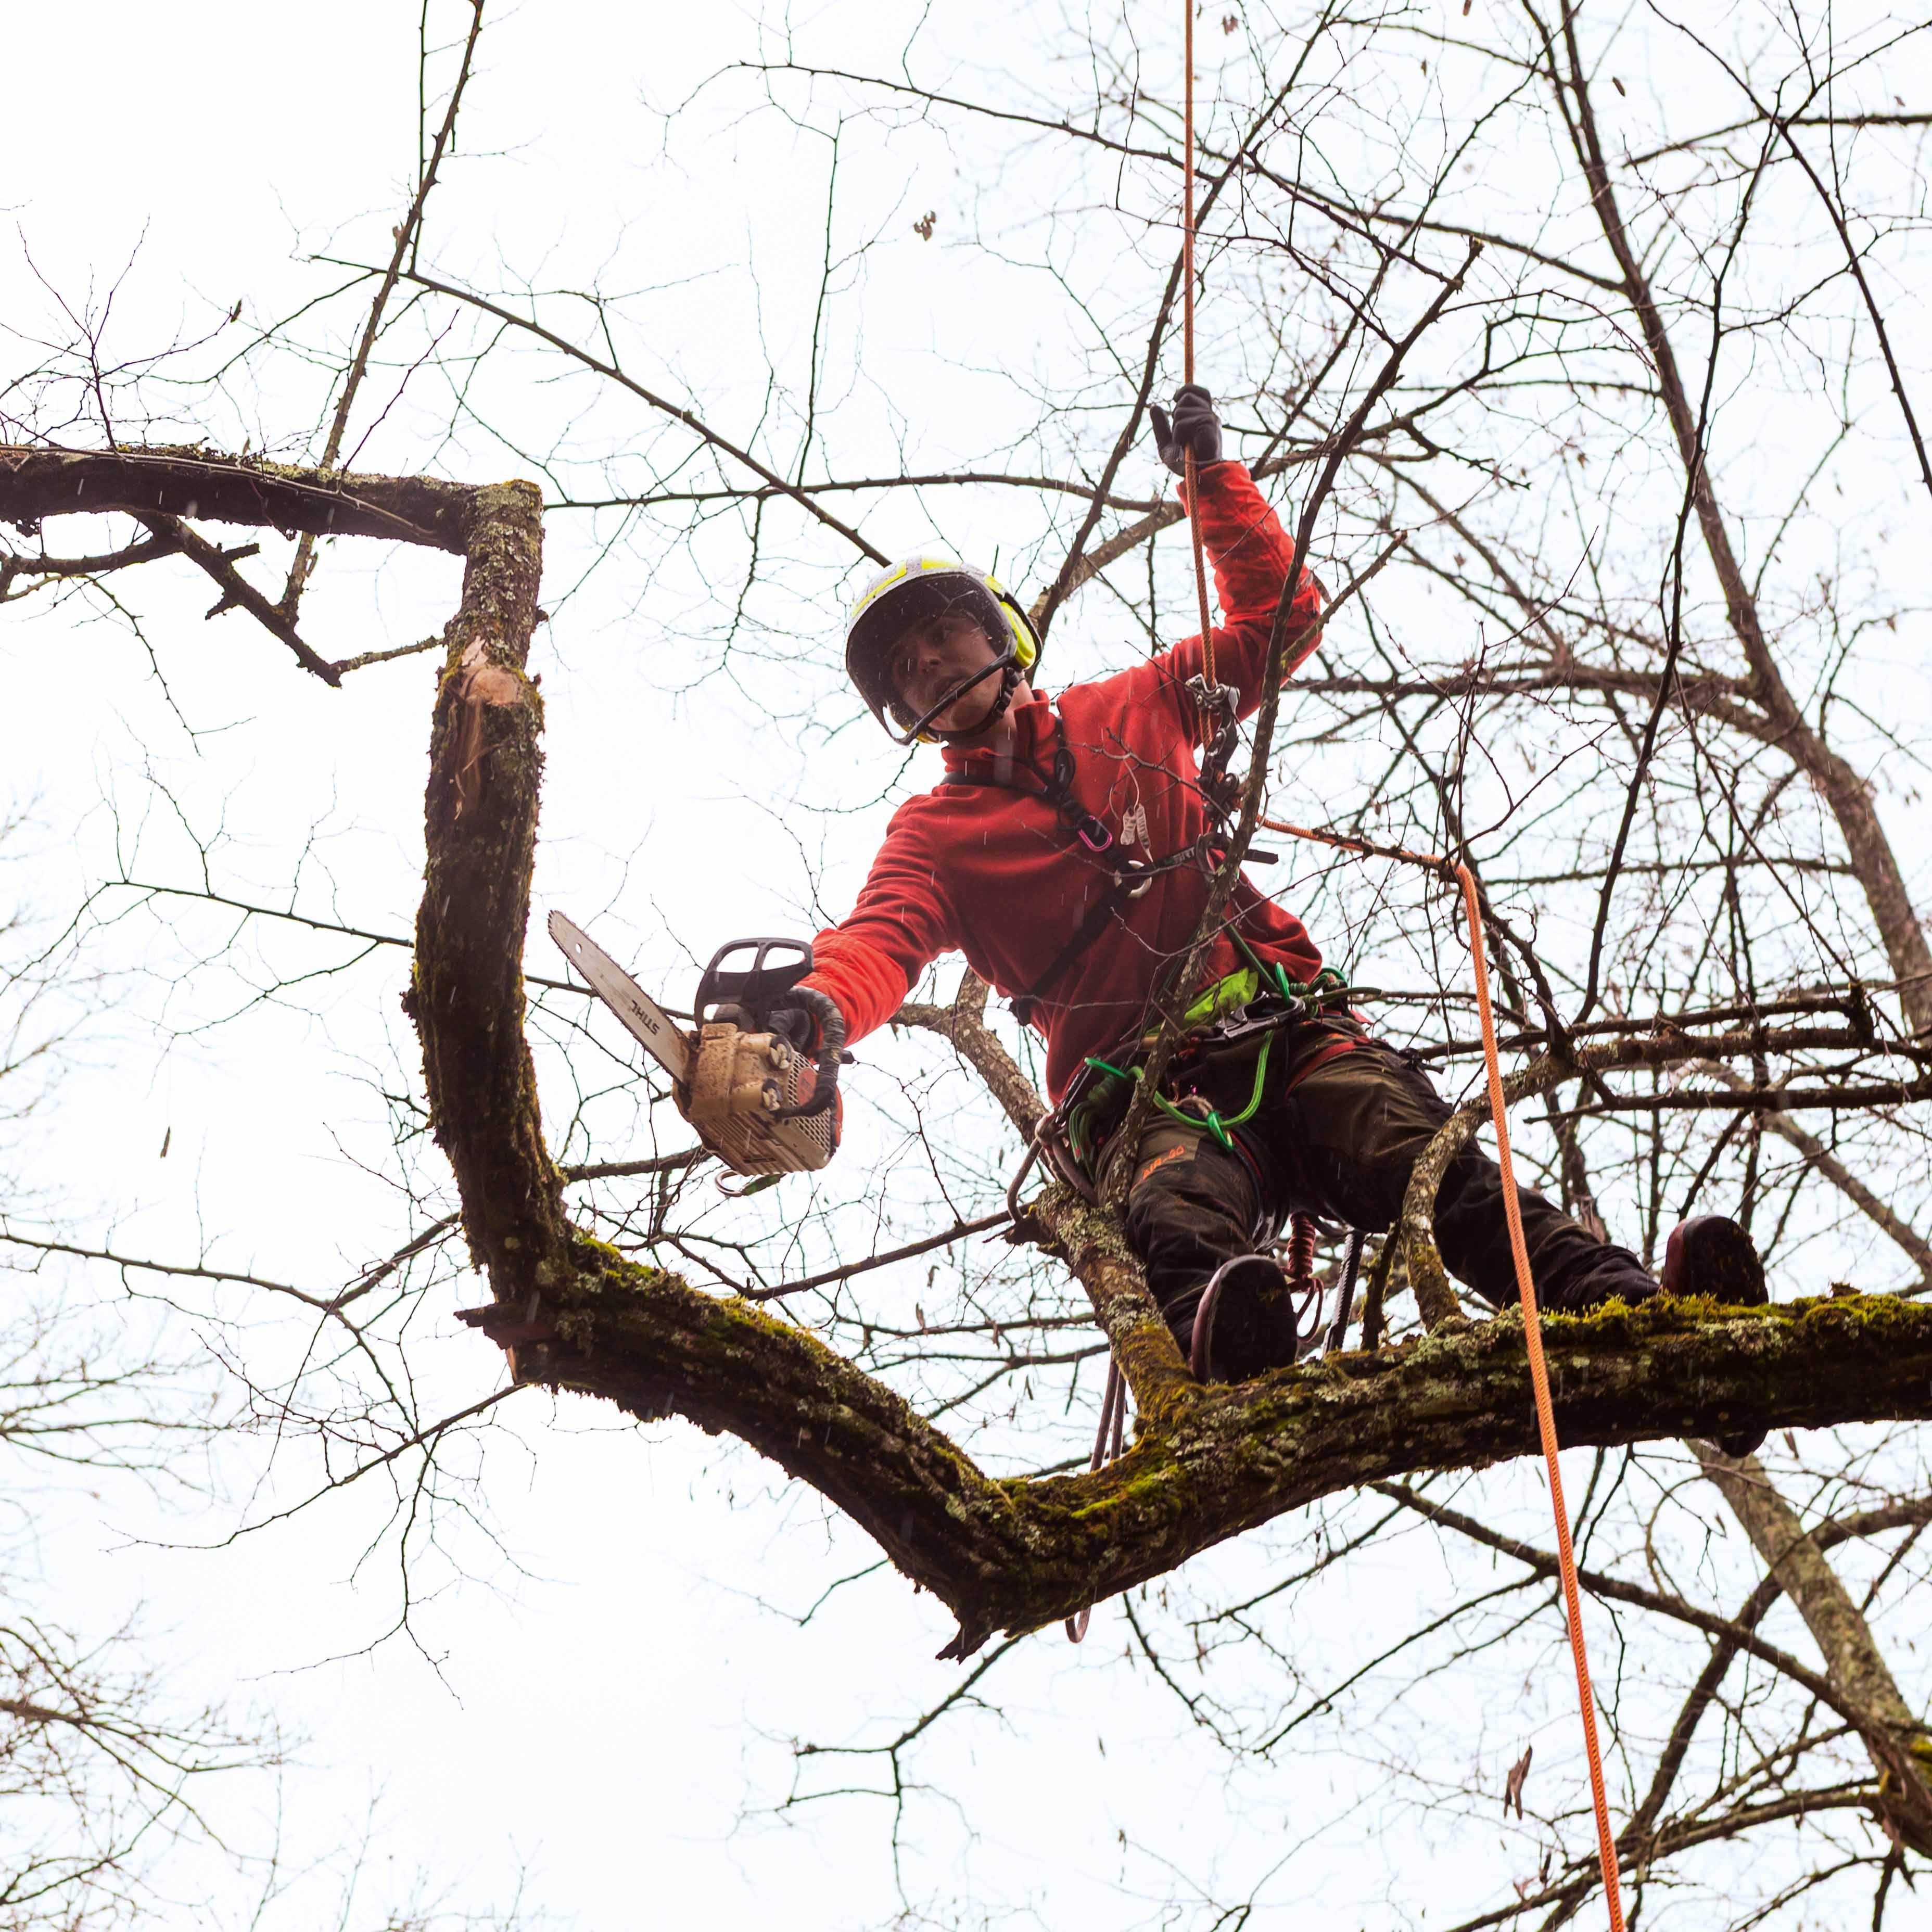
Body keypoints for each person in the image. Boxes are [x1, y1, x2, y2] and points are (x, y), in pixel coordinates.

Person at [773, 386, 1766, 1402]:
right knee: (1178, 1206)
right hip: (1145, 1087)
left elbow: (1279, 621)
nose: (928, 664)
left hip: (1288, 1031)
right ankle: (1233, 1374)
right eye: (904, 666)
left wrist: (1210, 480)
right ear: (901, 709)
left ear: (1001, 637)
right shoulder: (936, 837)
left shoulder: (1134, 705)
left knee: (1426, 1161)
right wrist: (819, 1009)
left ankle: (1645, 1316)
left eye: (942, 634)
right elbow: (878, 939)